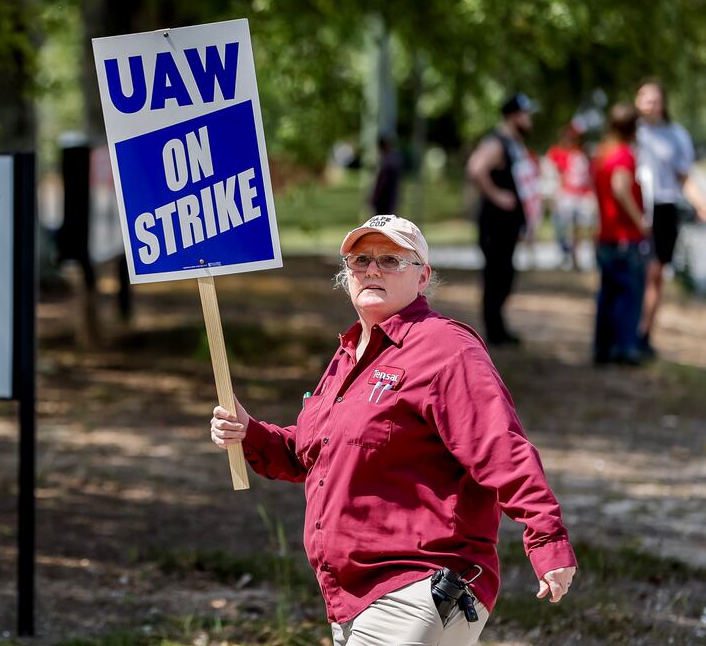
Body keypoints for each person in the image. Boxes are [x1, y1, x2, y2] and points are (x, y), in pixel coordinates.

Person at [209, 214, 578, 646]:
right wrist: (248, 431)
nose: (372, 270)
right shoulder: (349, 354)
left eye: (390, 260)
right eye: (360, 260)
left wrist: (547, 538)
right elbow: (315, 452)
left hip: (419, 583)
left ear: (422, 277)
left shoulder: (446, 348)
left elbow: (499, 448)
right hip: (350, 596)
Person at [634, 79, 706, 356]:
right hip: (636, 206)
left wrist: (701, 204)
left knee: (654, 273)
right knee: (632, 272)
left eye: (654, 99)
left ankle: (644, 332)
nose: (649, 104)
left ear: (662, 103)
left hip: (664, 207)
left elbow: (684, 177)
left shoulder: (676, 135)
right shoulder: (632, 132)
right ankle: (625, 331)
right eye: (644, 98)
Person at [466, 93, 539, 345]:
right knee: (496, 276)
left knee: (505, 275)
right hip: (494, 225)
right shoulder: (496, 142)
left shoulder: (514, 144)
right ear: (514, 116)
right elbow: (476, 168)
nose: (530, 120)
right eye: (526, 115)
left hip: (507, 226)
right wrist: (497, 195)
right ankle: (494, 332)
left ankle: (499, 328)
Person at [592, 104, 650, 365]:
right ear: (633, 128)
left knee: (608, 294)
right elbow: (620, 187)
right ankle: (625, 348)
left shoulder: (602, 153)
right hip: (625, 236)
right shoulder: (624, 155)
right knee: (629, 294)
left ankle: (603, 348)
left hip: (606, 236)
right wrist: (641, 222)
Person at [545, 122, 596, 269]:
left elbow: (589, 175)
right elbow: (552, 175)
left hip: (581, 195)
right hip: (565, 195)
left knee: (579, 227)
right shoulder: (556, 152)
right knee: (562, 227)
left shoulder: (582, 153)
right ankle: (565, 254)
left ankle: (575, 256)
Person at [368, 135, 403, 216]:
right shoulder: (395, 159)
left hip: (384, 200)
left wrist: (375, 198)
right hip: (393, 197)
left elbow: (382, 182)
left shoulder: (386, 162)